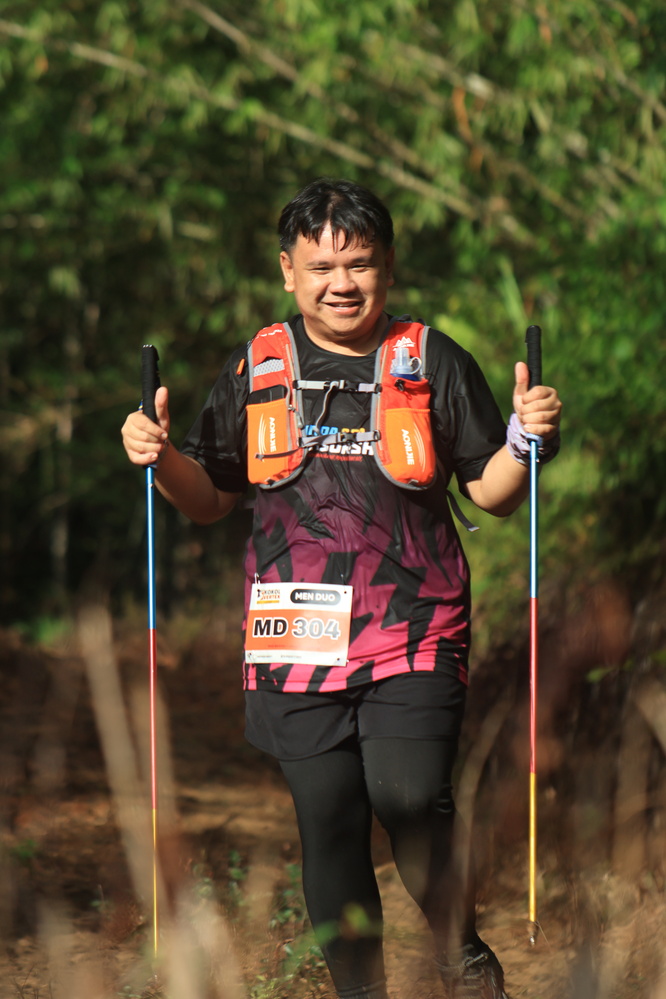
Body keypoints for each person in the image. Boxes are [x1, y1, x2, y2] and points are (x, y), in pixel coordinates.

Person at [122, 178, 562, 999]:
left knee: (409, 796)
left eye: (358, 264)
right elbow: (211, 498)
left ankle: (460, 953)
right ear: (288, 270)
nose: (341, 283)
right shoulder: (258, 364)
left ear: (387, 267)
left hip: (416, 630)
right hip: (294, 639)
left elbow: (492, 493)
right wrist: (160, 456)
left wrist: (524, 440)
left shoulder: (431, 359)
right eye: (321, 266)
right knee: (327, 818)